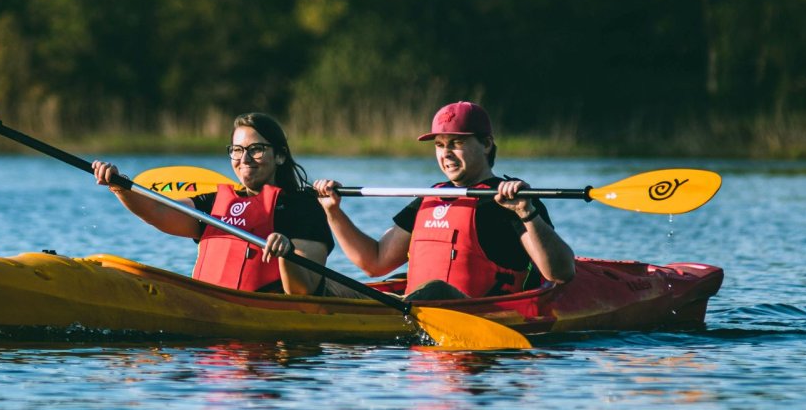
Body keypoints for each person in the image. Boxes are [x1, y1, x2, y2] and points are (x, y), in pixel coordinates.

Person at [313, 101, 576, 300]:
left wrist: (526, 211)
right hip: (413, 310)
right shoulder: (429, 197)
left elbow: (560, 273)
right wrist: (333, 212)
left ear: (486, 144)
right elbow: (375, 262)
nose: (446, 154)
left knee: (434, 289)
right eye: (440, 145)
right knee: (321, 285)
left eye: (456, 143)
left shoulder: (512, 199)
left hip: (472, 313)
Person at [92, 112, 334, 295]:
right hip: (207, 308)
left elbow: (304, 290)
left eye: (256, 149)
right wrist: (120, 186)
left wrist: (287, 252)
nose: (245, 159)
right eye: (237, 150)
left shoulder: (302, 207)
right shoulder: (215, 201)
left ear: (280, 155)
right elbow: (158, 211)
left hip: (267, 329)